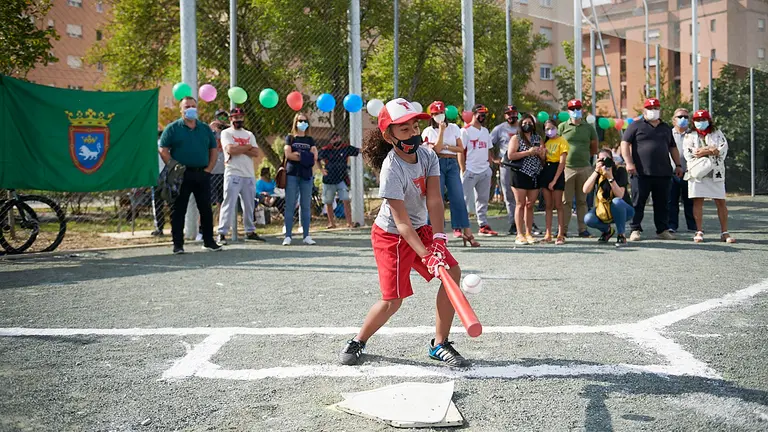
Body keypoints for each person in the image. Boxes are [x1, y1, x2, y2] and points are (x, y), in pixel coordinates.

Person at [339, 98, 468, 368]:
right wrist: (426, 256)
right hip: (392, 235)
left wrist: (439, 241)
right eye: (403, 129)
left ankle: (439, 344)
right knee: (393, 301)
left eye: (413, 126)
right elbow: (401, 223)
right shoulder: (391, 169)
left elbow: (434, 200)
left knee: (451, 273)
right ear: (389, 136)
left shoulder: (428, 155)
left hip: (421, 228)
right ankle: (358, 340)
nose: (412, 133)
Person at [159, 96, 222, 254]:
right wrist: (175, 167)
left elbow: (213, 150)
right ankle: (178, 244)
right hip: (181, 175)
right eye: (187, 106)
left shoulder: (205, 128)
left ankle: (209, 241)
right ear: (181, 109)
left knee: (206, 209)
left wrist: (208, 170)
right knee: (179, 210)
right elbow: (163, 150)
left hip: (202, 173)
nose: (190, 109)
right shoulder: (173, 128)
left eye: (193, 106)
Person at [620, 98, 684, 241]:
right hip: (640, 172)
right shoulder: (635, 126)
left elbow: (672, 147)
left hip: (664, 172)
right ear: (644, 110)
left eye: (655, 108)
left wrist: (678, 165)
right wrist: (629, 162)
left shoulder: (666, 128)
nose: (653, 110)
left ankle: (662, 230)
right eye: (650, 108)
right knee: (638, 202)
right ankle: (635, 229)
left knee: (662, 203)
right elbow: (624, 144)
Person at [422, 101, 479, 247]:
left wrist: (448, 146)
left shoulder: (454, 127)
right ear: (431, 116)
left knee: (458, 196)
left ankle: (466, 230)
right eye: (435, 114)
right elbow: (437, 149)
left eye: (440, 113)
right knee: (437, 199)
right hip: (436, 164)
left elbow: (461, 148)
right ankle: (435, 234)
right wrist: (441, 131)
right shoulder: (429, 131)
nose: (438, 116)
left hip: (452, 164)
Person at [683, 110, 735, 244]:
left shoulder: (717, 133)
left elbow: (721, 149)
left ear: (709, 120)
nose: (700, 123)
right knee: (698, 201)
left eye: (703, 120)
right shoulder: (689, 135)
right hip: (698, 173)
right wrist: (709, 150)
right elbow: (690, 153)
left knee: (720, 201)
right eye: (698, 120)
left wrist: (706, 151)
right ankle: (699, 231)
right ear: (693, 122)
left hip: (715, 172)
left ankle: (724, 232)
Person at [216, 108, 265, 244]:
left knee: (249, 205)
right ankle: (222, 233)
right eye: (235, 117)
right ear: (231, 119)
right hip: (233, 173)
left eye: (240, 117)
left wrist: (240, 148)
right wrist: (246, 147)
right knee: (229, 203)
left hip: (248, 174)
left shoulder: (249, 134)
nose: (238, 120)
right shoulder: (226, 133)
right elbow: (230, 149)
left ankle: (250, 231)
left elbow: (255, 152)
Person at [558, 99, 599, 238]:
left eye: (578, 108)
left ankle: (583, 229)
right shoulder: (562, 127)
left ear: (582, 109)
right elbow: (556, 145)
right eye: (572, 108)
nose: (575, 111)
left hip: (584, 167)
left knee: (582, 201)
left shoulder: (589, 128)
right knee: (566, 201)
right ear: (568, 111)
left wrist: (584, 157)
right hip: (567, 168)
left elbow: (594, 147)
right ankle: (563, 230)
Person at [506, 113, 545, 245]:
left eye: (529, 123)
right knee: (520, 203)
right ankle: (519, 234)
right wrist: (528, 152)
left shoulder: (538, 138)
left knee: (530, 204)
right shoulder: (516, 138)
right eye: (524, 123)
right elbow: (511, 155)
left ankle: (529, 233)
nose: (527, 125)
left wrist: (541, 153)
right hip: (519, 173)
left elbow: (544, 157)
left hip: (534, 174)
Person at [583, 149, 635, 247]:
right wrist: (596, 172)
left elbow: (620, 195)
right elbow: (585, 190)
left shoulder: (620, 171)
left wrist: (610, 177)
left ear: (612, 159)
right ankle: (607, 231)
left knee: (617, 201)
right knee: (588, 218)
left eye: (606, 159)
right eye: (600, 160)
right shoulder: (598, 174)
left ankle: (621, 235)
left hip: (624, 210)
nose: (603, 162)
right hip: (604, 209)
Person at [460, 104, 498, 236]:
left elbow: (488, 148)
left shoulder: (485, 131)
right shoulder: (465, 130)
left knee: (482, 199)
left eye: (484, 115)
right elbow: (460, 151)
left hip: (484, 170)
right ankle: (460, 226)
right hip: (470, 170)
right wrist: (463, 168)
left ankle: (483, 225)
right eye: (480, 114)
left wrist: (489, 165)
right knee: (463, 199)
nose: (483, 117)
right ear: (474, 114)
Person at [283, 112, 318, 246]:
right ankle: (288, 236)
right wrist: (305, 156)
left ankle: (306, 235)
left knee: (305, 205)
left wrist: (299, 155)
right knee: (290, 205)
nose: (302, 123)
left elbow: (314, 156)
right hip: (292, 174)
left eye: (305, 121)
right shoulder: (290, 138)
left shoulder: (310, 140)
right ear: (295, 122)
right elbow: (288, 155)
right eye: (300, 121)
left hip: (306, 175)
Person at [317, 132, 359, 229]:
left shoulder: (346, 147)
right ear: (330, 140)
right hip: (328, 180)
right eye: (333, 138)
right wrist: (321, 169)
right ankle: (331, 223)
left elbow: (358, 151)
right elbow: (317, 159)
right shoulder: (326, 149)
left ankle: (349, 223)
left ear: (340, 137)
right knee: (328, 202)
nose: (335, 139)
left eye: (337, 137)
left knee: (346, 200)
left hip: (341, 180)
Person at [538, 119, 568, 245]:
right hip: (546, 171)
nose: (549, 131)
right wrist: (542, 154)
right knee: (548, 205)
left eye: (551, 128)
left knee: (558, 204)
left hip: (557, 172)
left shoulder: (562, 141)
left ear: (556, 127)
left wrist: (555, 180)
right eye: (547, 129)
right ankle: (548, 233)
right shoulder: (546, 142)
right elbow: (543, 160)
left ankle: (561, 234)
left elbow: (562, 162)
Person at [491, 105, 519, 235]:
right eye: (508, 114)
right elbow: (488, 143)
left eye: (513, 113)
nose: (511, 116)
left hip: (522, 163)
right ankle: (513, 222)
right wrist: (493, 159)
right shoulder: (499, 129)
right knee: (508, 194)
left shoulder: (522, 127)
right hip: (506, 164)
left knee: (524, 195)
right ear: (505, 116)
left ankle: (528, 222)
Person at [668, 108, 697, 234]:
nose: (683, 119)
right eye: (680, 117)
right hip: (671, 173)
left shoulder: (694, 135)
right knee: (671, 201)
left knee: (690, 201)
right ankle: (672, 226)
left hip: (690, 173)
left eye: (685, 117)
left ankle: (693, 226)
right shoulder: (668, 134)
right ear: (674, 120)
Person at [151, 129, 167, 237]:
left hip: (159, 176)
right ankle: (165, 227)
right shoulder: (168, 145)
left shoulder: (156, 145)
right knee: (171, 203)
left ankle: (159, 228)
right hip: (166, 175)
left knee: (157, 203)